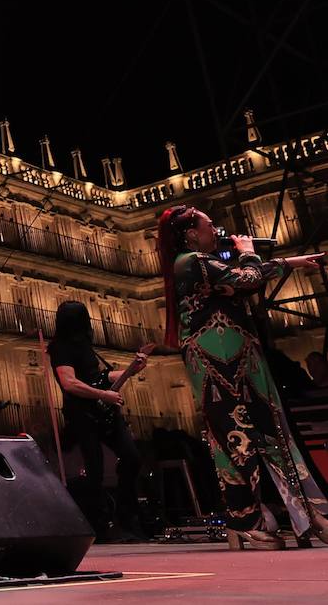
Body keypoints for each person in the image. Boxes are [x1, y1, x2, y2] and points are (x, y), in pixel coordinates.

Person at [157, 204, 328, 550]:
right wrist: (248, 252)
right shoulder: (190, 262)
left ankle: (306, 514)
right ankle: (245, 520)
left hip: (239, 355)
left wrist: (289, 263)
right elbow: (245, 279)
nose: (216, 230)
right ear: (190, 233)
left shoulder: (203, 265)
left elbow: (239, 283)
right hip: (215, 360)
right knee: (235, 437)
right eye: (208, 225)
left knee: (271, 430)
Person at [48, 300, 147, 541]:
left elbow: (98, 377)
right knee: (95, 468)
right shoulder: (61, 347)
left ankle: (127, 516)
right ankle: (99, 524)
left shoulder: (86, 347)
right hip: (82, 413)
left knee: (132, 458)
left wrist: (131, 370)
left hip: (105, 411)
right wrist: (104, 395)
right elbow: (69, 382)